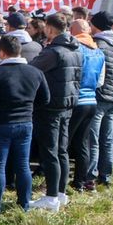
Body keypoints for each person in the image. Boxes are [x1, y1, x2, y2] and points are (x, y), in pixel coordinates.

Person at [0, 37, 49, 213]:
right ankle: (24, 203)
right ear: (19, 50)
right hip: (25, 123)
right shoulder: (35, 72)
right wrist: (29, 110)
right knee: (23, 165)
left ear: (1, 52)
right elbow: (46, 98)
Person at [29, 14, 82, 211]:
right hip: (67, 104)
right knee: (61, 150)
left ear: (50, 29)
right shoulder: (76, 50)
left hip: (51, 106)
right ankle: (60, 193)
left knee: (50, 151)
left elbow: (31, 69)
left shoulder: (53, 52)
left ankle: (51, 197)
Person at [67, 20, 105, 193]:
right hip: (91, 100)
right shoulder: (98, 51)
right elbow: (100, 82)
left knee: (64, 143)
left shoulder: (75, 50)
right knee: (83, 143)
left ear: (73, 31)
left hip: (76, 100)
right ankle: (81, 181)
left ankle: (57, 182)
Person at [90, 12, 113, 187]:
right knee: (108, 137)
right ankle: (106, 174)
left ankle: (91, 174)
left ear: (96, 25)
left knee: (93, 138)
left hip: (100, 95)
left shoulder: (98, 45)